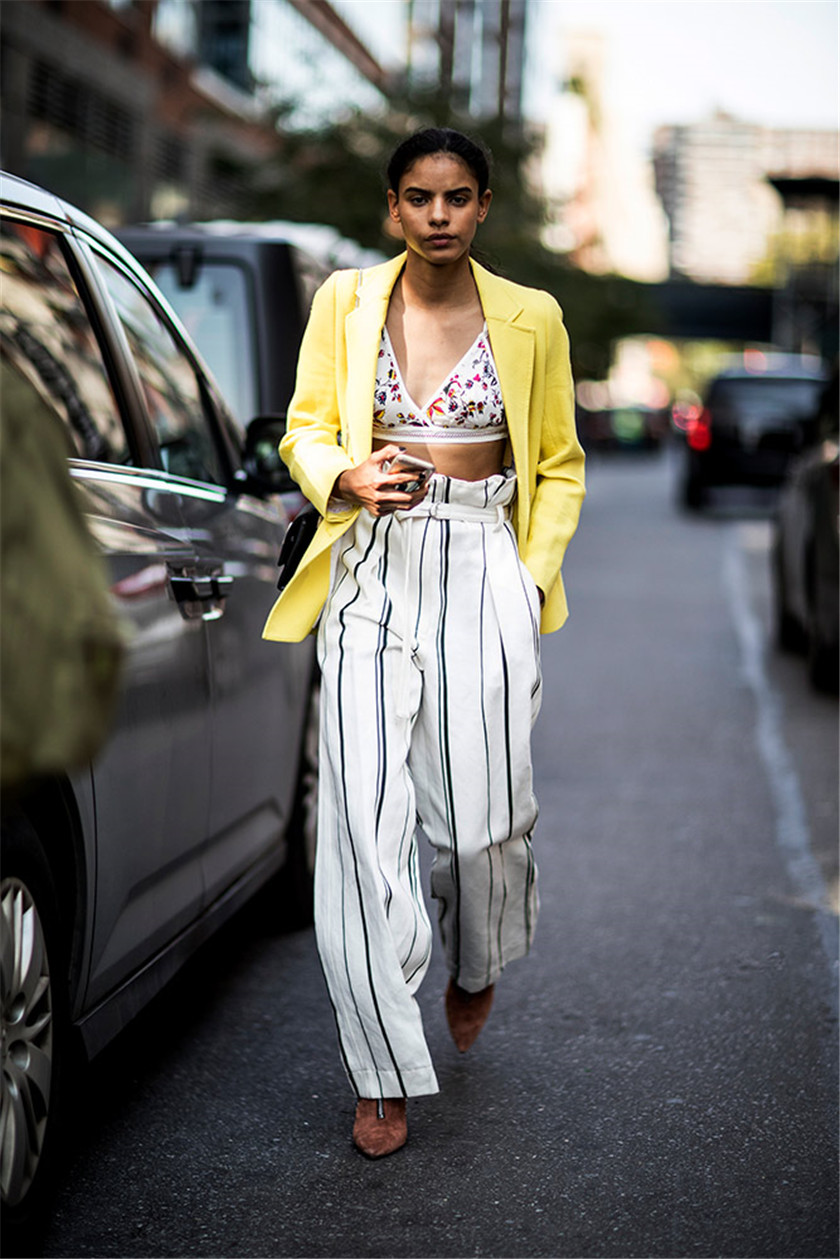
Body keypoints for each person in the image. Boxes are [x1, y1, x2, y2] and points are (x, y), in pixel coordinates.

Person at [262, 127, 585, 1158]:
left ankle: (477, 956)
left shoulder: (532, 316)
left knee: (482, 827)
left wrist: (526, 575)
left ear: (482, 205)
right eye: (417, 197)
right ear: (393, 207)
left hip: (483, 562)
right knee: (361, 821)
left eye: (455, 197)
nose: (437, 214)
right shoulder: (345, 301)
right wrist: (342, 476)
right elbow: (306, 428)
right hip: (371, 567)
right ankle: (383, 1069)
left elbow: (560, 463)